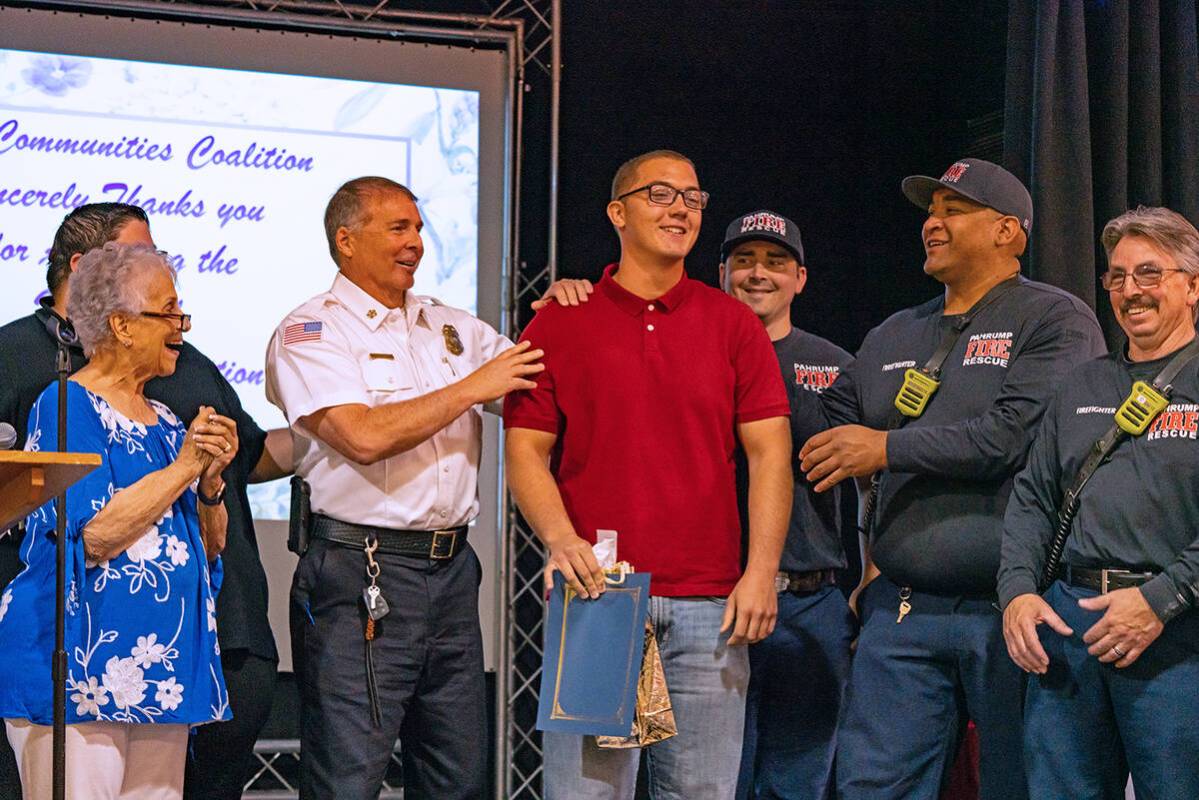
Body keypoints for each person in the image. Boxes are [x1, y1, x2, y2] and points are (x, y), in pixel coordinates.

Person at [800, 158, 1106, 799]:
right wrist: (745, 338)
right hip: (904, 607)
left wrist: (886, 447)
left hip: (1016, 607)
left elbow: (1011, 436)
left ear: (1008, 233)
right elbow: (824, 422)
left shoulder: (1055, 319)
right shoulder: (892, 333)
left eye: (954, 210)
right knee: (871, 785)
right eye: (930, 212)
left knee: (1018, 784)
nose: (932, 224)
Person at [504, 150, 793, 800]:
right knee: (584, 794)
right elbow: (525, 450)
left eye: (692, 197)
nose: (680, 208)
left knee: (702, 792)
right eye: (660, 193)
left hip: (710, 603)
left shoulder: (732, 326)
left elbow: (769, 454)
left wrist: (759, 570)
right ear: (618, 212)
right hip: (598, 594)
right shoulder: (561, 320)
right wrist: (560, 538)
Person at [264, 175, 545, 800]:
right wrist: (472, 387)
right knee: (349, 775)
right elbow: (360, 437)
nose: (415, 242)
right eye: (398, 228)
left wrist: (571, 309)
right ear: (346, 240)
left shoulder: (448, 326)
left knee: (456, 776)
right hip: (361, 573)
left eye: (418, 228)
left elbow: (539, 379)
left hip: (451, 574)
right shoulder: (311, 330)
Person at [0, 203, 289, 800]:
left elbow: (210, 546)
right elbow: (92, 537)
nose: (181, 325)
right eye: (168, 312)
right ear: (123, 325)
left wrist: (209, 484)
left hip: (161, 666)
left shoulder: (162, 420)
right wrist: (185, 467)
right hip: (81, 669)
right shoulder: (64, 406)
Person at [999, 206, 1199, 800]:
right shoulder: (1082, 384)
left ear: (1193, 285)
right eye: (1117, 277)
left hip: (1175, 632)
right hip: (1070, 628)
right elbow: (1033, 497)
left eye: (1148, 274)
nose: (1130, 291)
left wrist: (1160, 601)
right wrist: (1016, 593)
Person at [719, 210, 855, 800]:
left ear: (801, 278)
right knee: (712, 778)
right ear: (721, 272)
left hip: (813, 600)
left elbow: (875, 480)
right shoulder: (695, 352)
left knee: (799, 782)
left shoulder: (839, 366)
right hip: (716, 598)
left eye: (776, 262)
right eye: (744, 261)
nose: (758, 274)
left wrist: (868, 582)